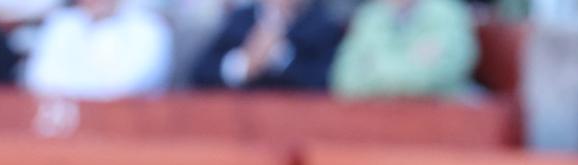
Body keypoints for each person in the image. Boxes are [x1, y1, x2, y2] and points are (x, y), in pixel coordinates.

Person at [329, 0, 478, 101]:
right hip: (378, 121)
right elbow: (345, 80)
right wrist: (413, 64)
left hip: (442, 121)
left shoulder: (447, 13)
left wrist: (375, 68)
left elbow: (442, 74)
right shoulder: (369, 16)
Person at [24, 0, 173, 99]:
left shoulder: (149, 27)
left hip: (132, 128)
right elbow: (40, 78)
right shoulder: (62, 23)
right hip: (66, 125)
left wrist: (73, 89)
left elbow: (128, 86)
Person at [189, 0, 342, 91]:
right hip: (238, 123)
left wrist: (280, 58)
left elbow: (326, 82)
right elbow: (199, 74)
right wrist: (242, 65)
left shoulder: (320, 26)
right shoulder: (240, 20)